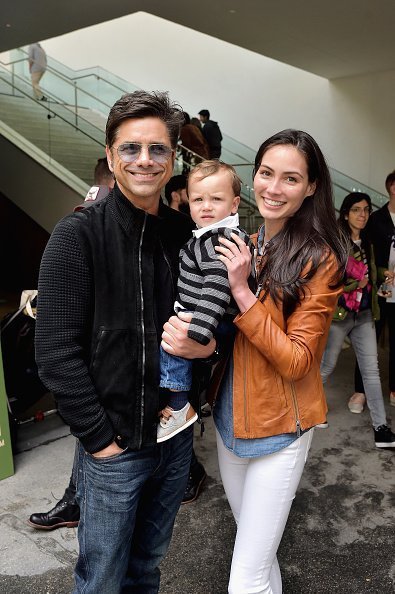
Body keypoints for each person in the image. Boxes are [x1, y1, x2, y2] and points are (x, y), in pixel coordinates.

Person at [35, 90, 214, 593]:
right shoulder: (77, 236)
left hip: (175, 438)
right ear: (111, 155)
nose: (144, 160)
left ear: (173, 158)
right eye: (131, 148)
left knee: (146, 569)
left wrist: (209, 353)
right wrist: (100, 441)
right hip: (115, 448)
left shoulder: (185, 234)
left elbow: (205, 323)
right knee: (102, 579)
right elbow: (55, 353)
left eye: (157, 149)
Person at [162, 129, 347, 593]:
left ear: (311, 188)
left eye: (290, 178)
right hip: (230, 421)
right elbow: (231, 339)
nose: (273, 188)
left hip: (279, 429)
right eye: (266, 173)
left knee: (243, 579)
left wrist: (243, 290)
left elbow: (297, 361)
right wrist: (202, 346)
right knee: (257, 557)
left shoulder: (319, 259)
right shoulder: (244, 239)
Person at [158, 160, 253, 442]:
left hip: (213, 318)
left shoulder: (221, 240)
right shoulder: (207, 235)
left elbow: (217, 284)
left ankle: (178, 406)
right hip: (206, 315)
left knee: (173, 344)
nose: (206, 206)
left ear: (234, 204)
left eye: (216, 199)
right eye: (198, 199)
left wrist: (198, 330)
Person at [320, 192, 395, 448]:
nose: (362, 215)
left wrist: (384, 275)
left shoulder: (369, 242)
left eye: (366, 210)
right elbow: (328, 282)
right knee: (326, 367)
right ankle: (306, 409)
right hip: (340, 316)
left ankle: (381, 427)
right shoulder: (336, 244)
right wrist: (355, 284)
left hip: (364, 315)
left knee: (371, 372)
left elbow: (371, 275)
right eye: (356, 210)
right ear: (345, 214)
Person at [353, 170, 395, 410]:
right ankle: (360, 391)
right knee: (366, 343)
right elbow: (364, 253)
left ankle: (393, 389)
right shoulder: (375, 218)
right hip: (376, 291)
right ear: (390, 186)